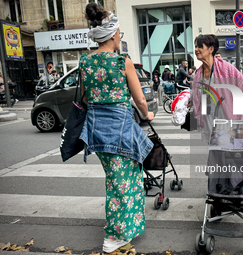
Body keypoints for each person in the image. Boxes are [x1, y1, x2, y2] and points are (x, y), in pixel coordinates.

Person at [79, 3, 154, 253]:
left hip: (96, 133)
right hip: (119, 132)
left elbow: (87, 98)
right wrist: (147, 114)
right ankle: (114, 237)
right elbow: (140, 99)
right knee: (125, 183)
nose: (120, 36)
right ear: (112, 35)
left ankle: (123, 228)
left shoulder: (85, 63)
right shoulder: (123, 62)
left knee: (115, 181)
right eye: (119, 33)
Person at [192, 34, 243, 143]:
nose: (196, 50)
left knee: (224, 144)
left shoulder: (225, 67)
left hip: (225, 115)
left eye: (200, 46)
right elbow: (197, 94)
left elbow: (242, 81)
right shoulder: (198, 73)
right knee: (213, 145)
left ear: (211, 49)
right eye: (195, 46)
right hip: (208, 116)